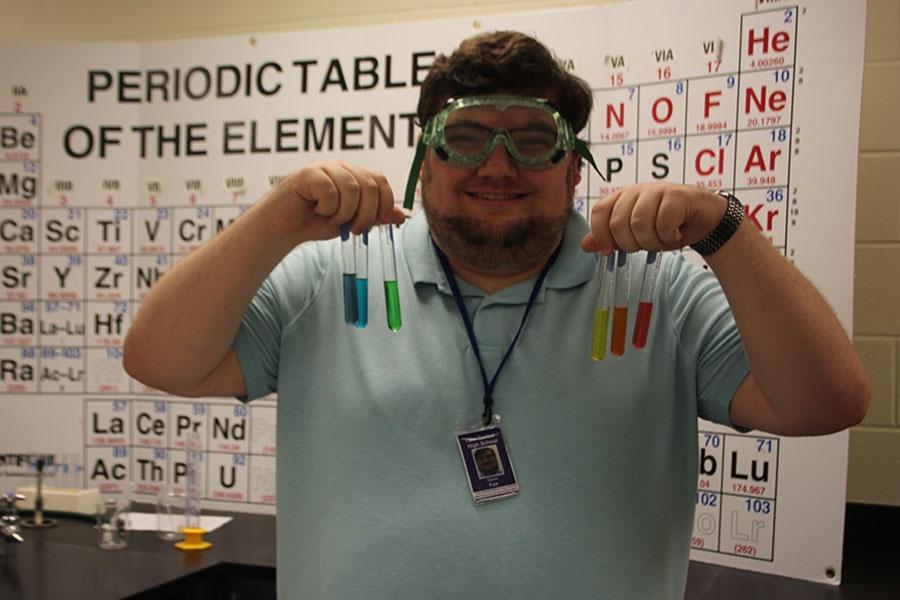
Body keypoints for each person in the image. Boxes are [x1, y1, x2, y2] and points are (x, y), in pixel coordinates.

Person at [124, 31, 869, 599]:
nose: (499, 165)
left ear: (575, 166)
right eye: (469, 137)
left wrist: (724, 230)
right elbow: (158, 360)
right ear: (426, 157)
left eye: (535, 140)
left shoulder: (656, 289)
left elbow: (826, 403)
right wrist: (277, 219)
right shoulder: (329, 275)